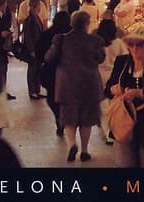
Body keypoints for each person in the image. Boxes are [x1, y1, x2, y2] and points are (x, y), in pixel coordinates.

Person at [45, 11, 104, 162]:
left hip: (67, 83)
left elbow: (49, 58)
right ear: (86, 24)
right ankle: (84, 150)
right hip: (89, 83)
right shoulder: (95, 40)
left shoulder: (61, 39)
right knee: (87, 117)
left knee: (68, 116)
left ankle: (72, 144)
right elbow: (101, 58)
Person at [104, 25, 144, 167]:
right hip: (124, 121)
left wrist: (140, 93)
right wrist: (118, 90)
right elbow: (107, 90)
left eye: (139, 45)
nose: (134, 49)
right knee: (125, 164)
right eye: (131, 45)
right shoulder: (122, 62)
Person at [95, 10, 129, 145]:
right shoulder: (119, 43)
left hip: (98, 75)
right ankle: (115, 129)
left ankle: (107, 132)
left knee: (102, 106)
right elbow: (126, 58)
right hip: (114, 75)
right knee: (114, 104)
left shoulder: (96, 43)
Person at [36, 11, 71, 136]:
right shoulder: (72, 35)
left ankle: (58, 117)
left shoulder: (47, 34)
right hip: (69, 72)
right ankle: (64, 118)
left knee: (52, 97)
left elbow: (39, 52)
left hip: (50, 72)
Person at [20, 0, 47, 99]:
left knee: (37, 69)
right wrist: (31, 50)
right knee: (32, 69)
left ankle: (37, 89)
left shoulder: (36, 17)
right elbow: (28, 36)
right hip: (33, 48)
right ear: (36, 6)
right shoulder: (30, 19)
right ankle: (32, 91)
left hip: (38, 48)